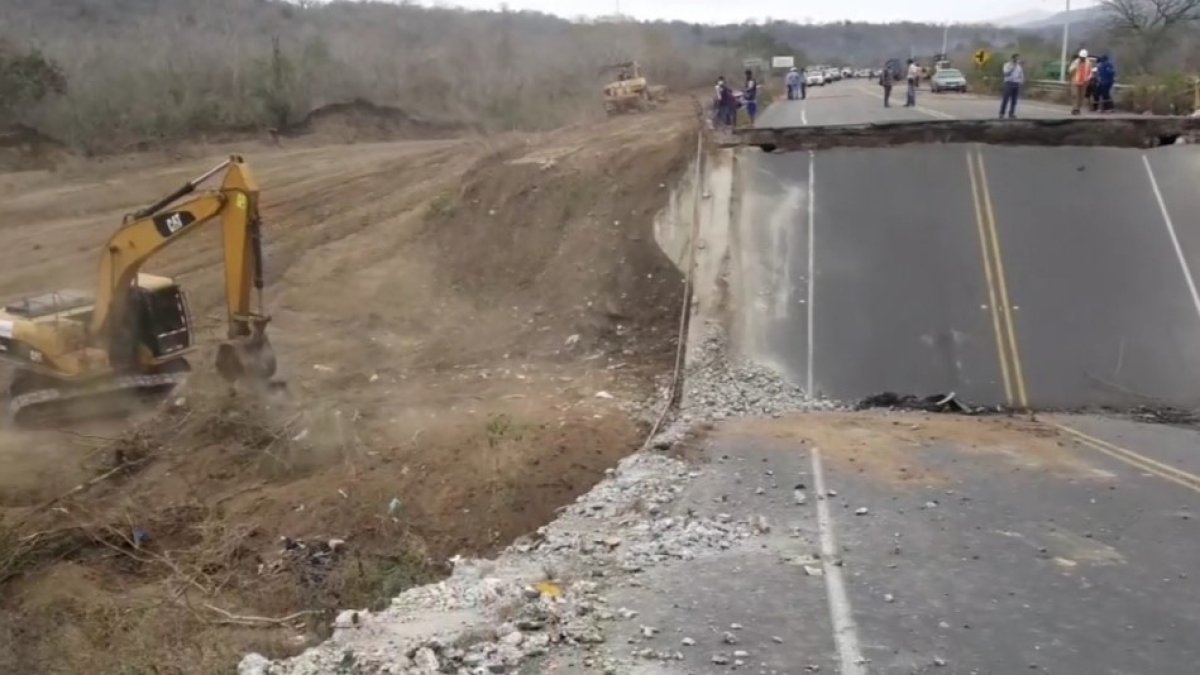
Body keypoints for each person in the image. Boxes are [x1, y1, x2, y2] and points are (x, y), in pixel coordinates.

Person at [1067, 49, 1092, 114]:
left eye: (1083, 57)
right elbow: (1070, 70)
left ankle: (1078, 108)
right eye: (1081, 57)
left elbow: (1090, 73)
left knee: (1081, 96)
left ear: (1085, 57)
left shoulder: (1088, 63)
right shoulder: (1076, 62)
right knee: (1074, 95)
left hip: (1084, 82)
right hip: (1075, 81)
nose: (1082, 58)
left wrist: (1088, 79)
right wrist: (1073, 69)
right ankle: (1074, 108)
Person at [1000, 53, 1024, 119]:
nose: (1017, 59)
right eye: (1016, 58)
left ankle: (1011, 113)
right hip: (1008, 83)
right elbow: (1006, 74)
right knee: (1006, 99)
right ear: (1012, 58)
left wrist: (1021, 81)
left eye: (1018, 58)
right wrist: (1013, 67)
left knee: (1014, 100)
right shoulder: (1007, 65)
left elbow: (1021, 74)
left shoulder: (1019, 66)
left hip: (1016, 83)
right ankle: (1002, 113)